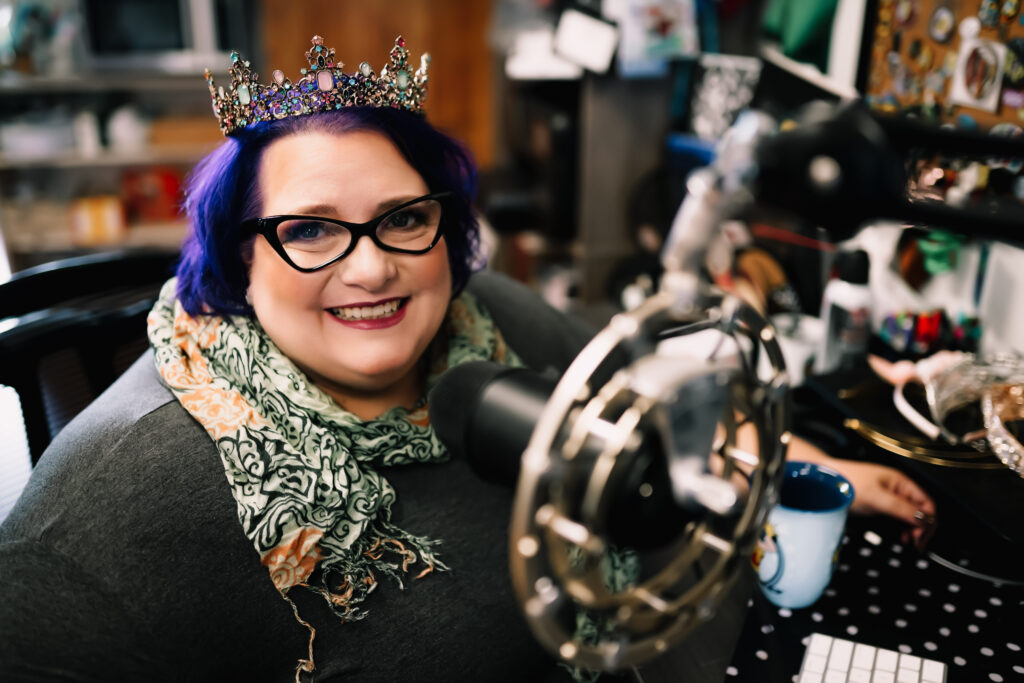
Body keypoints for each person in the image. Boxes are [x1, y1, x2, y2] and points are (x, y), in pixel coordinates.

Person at [0, 34, 933, 683]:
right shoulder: (110, 510)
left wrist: (807, 463)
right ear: (241, 256)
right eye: (311, 230)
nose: (373, 265)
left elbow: (635, 396)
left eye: (407, 217)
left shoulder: (490, 319)